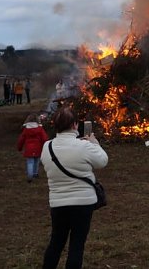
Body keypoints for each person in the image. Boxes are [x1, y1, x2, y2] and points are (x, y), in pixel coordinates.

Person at [40, 106, 108, 269]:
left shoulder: (46, 147)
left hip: (58, 203)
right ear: (75, 125)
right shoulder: (84, 147)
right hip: (83, 204)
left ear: (56, 125)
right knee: (77, 245)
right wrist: (95, 144)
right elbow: (102, 161)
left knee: (56, 243)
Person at [17, 113, 48, 182]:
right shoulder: (40, 129)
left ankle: (30, 175)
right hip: (38, 148)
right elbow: (44, 138)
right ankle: (35, 173)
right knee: (36, 161)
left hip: (29, 149)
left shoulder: (26, 129)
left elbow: (21, 139)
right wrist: (46, 146)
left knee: (30, 162)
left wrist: (19, 147)